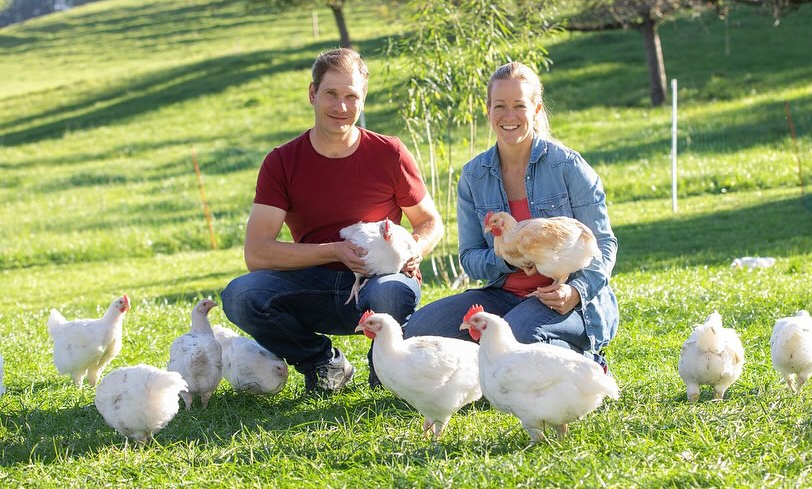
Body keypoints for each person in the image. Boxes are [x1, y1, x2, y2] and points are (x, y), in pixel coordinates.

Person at [221, 48, 443, 393]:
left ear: (363, 99)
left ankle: (385, 369)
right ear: (312, 94)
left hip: (379, 279)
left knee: (393, 292)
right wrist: (335, 251)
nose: (341, 107)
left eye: (352, 96)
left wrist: (415, 247)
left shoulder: (390, 153)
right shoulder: (282, 162)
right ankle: (323, 363)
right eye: (331, 94)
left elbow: (430, 221)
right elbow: (258, 253)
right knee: (241, 295)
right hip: (312, 283)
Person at [404, 62, 618, 372]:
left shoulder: (567, 166)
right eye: (500, 106)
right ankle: (509, 358)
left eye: (519, 106)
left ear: (536, 109)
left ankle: (585, 363)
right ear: (488, 109)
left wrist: (576, 291)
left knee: (517, 336)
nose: (509, 116)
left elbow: (604, 244)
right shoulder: (475, 175)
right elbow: (470, 257)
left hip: (566, 300)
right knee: (421, 328)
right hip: (503, 295)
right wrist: (509, 259)